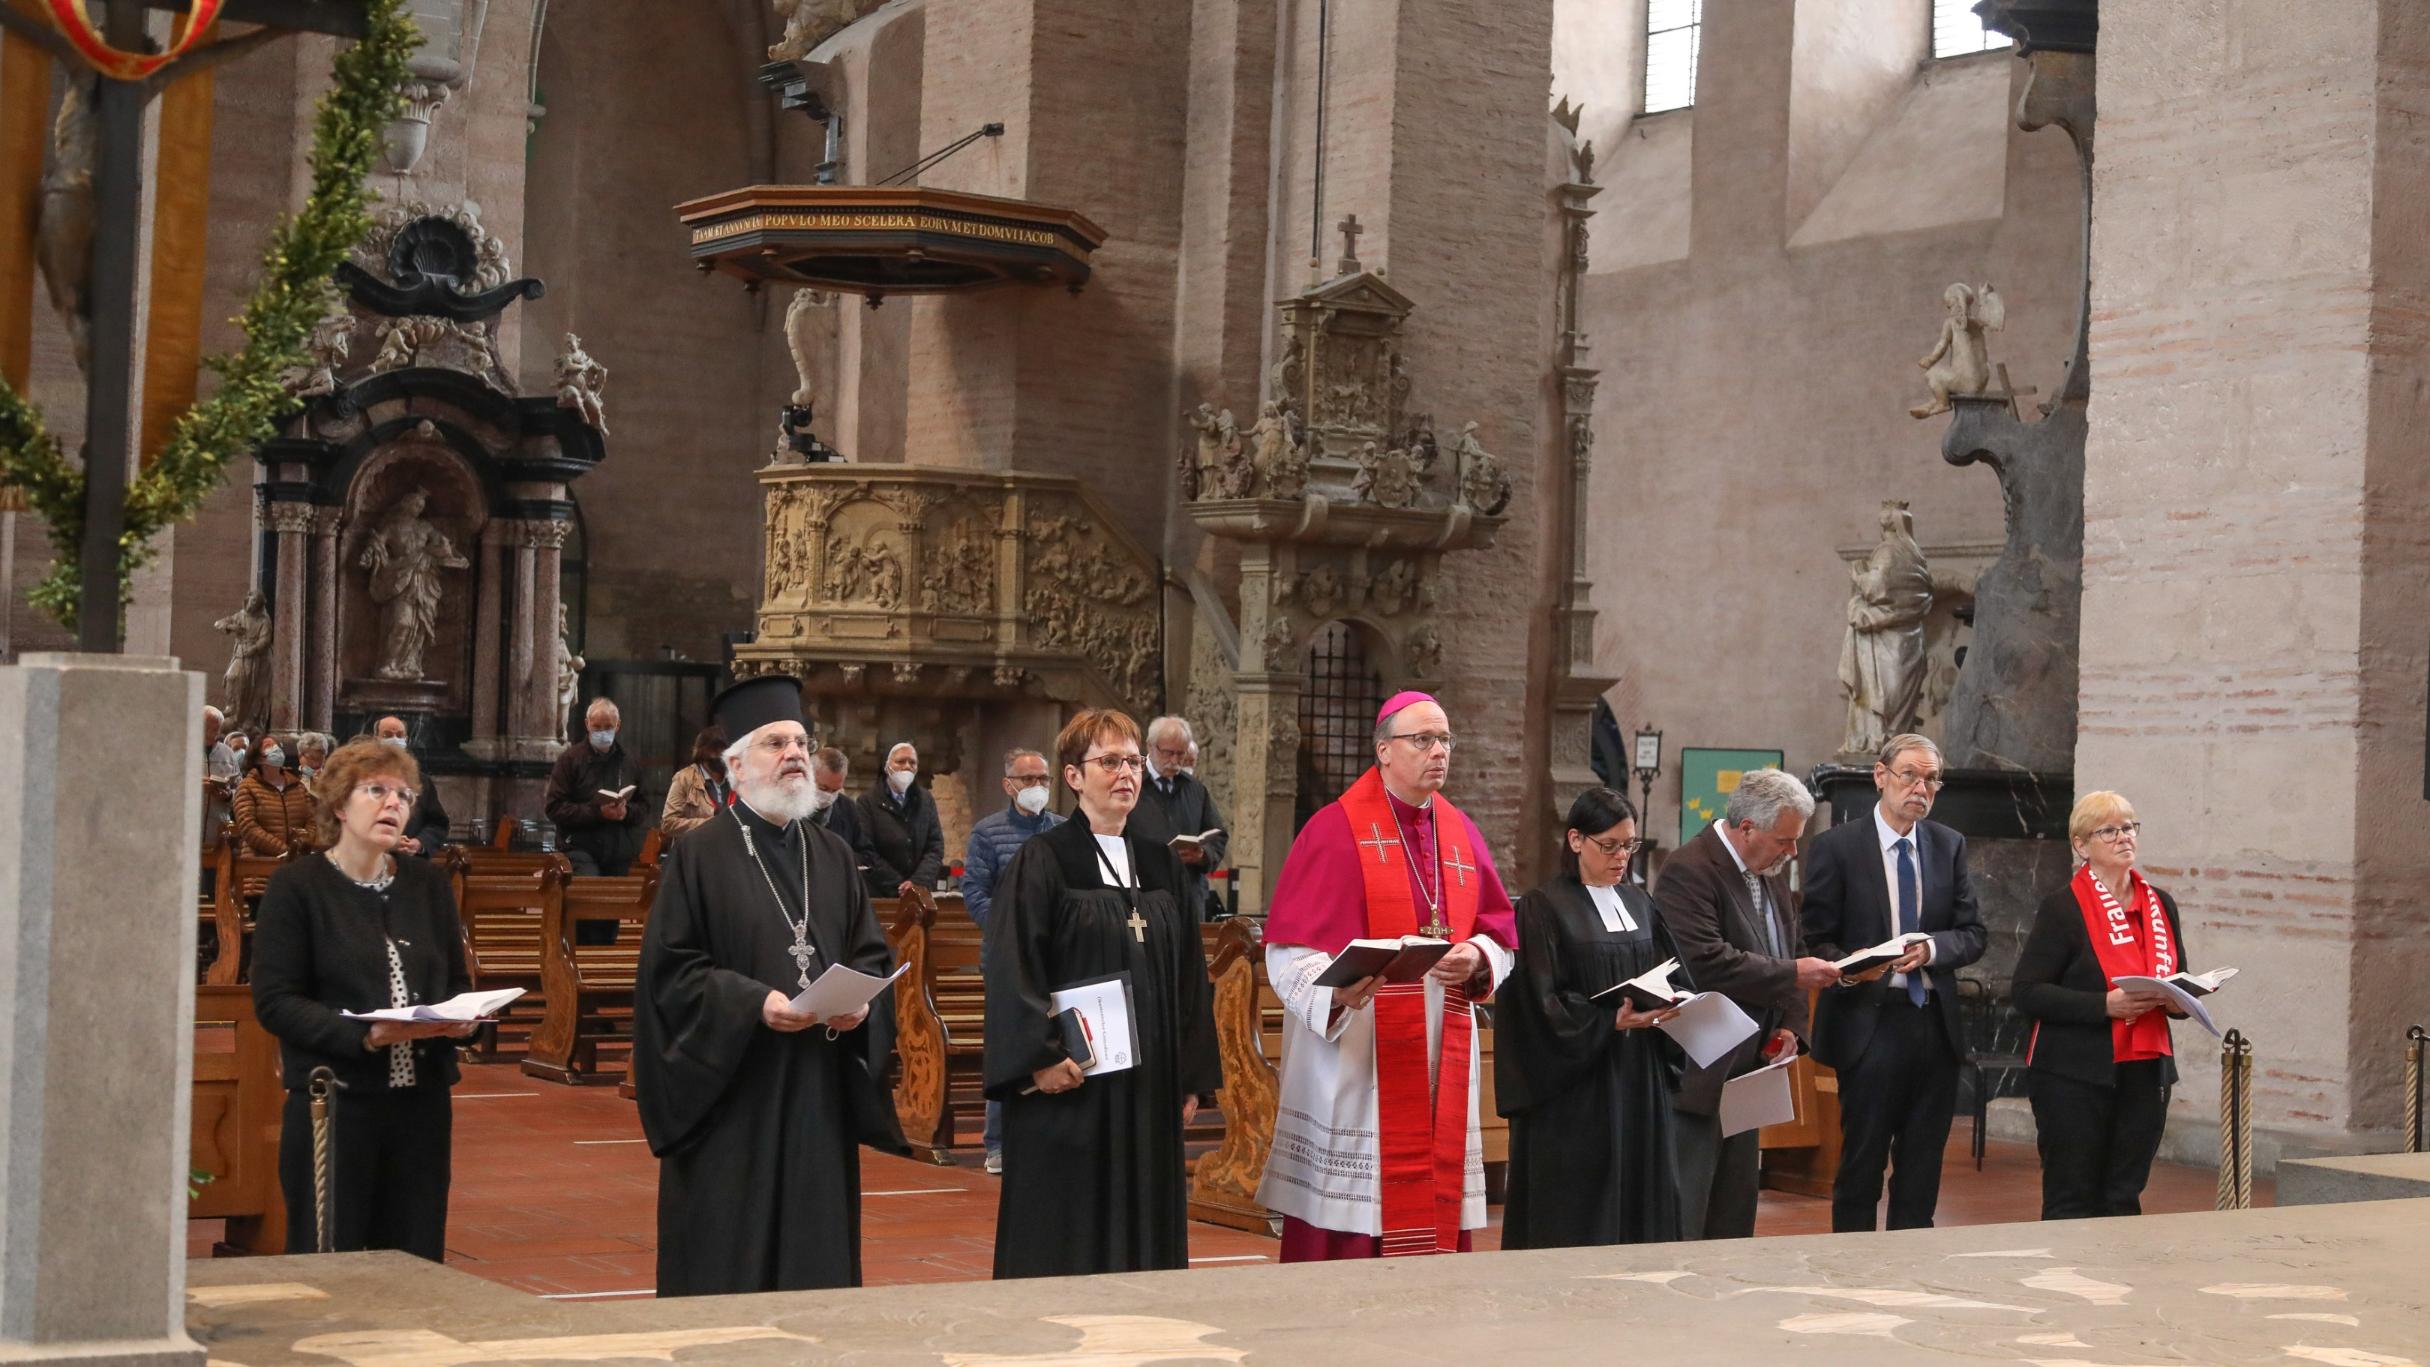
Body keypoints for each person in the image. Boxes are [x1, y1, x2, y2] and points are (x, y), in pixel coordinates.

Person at [632, 675, 905, 1295]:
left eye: (801, 743)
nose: (794, 754)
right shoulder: (700, 855)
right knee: (732, 1257)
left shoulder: (833, 855)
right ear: (736, 765)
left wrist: (858, 1007)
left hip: (816, 1092)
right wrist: (755, 1002)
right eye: (774, 742)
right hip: (735, 1093)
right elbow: (670, 973)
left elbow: (868, 953)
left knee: (815, 1260)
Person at [1257, 691, 1519, 1260]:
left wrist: (1476, 957)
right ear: (1384, 750)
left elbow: (1501, 932)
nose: (1438, 752)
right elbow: (1286, 951)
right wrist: (1336, 991)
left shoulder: (1460, 832)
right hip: (1358, 1045)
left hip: (1438, 1041)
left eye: (1445, 739)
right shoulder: (1334, 830)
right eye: (1422, 740)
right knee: (1356, 1216)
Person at [983, 709, 1221, 1278]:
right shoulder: (1044, 860)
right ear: (1073, 777)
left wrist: (1189, 1074)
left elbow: (1191, 973)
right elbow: (1012, 964)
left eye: (1134, 762)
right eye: (1109, 762)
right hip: (1073, 1086)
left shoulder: (1160, 862)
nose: (1126, 775)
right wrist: (1039, 1060)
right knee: (1069, 1227)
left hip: (1148, 1090)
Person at [249, 739, 474, 1259]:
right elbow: (276, 1001)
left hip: (421, 1108)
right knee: (333, 1260)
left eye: (404, 796)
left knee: (414, 1263)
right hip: (337, 1104)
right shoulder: (297, 888)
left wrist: (464, 1017)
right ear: (338, 804)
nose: (394, 804)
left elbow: (457, 983)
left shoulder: (428, 885)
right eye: (377, 790)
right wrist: (364, 1035)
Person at [1800, 733, 1988, 1233]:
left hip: (1934, 1026)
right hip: (1869, 1024)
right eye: (1910, 775)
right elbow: (1815, 938)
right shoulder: (1837, 847)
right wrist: (1853, 964)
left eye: (1931, 779)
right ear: (1880, 776)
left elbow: (1973, 935)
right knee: (1862, 1164)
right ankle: (1852, 1271)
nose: (1920, 788)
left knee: (1922, 1167)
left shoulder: (1948, 845)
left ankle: (1911, 1271)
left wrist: (1933, 949)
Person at [1655, 767, 1839, 1240]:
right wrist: (1795, 974)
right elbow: (1708, 962)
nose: (1792, 851)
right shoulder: (1689, 869)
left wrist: (1792, 1031)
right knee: (1688, 1209)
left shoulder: (1770, 872)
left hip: (1750, 1069)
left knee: (1734, 1211)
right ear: (1747, 828)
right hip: (1701, 1067)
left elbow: (1790, 950)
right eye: (1785, 839)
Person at [1496, 788, 1685, 1248]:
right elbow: (1537, 1001)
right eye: (1610, 845)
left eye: (1630, 845)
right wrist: (1608, 1022)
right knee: (1582, 1208)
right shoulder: (1544, 907)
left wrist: (1673, 1004)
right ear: (1576, 839)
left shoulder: (1641, 904)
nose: (1621, 857)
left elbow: (1674, 970)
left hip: (1638, 1078)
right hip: (1577, 1090)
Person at [2014, 790, 2189, 1220]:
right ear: (2081, 845)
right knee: (2072, 1196)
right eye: (2108, 830)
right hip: (2073, 1073)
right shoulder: (2063, 907)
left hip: (2145, 1069)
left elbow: (2177, 975)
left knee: (2123, 1194)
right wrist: (2104, 1006)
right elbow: (2027, 991)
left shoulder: (2160, 903)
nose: (2123, 837)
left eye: (2129, 827)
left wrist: (2181, 1001)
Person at [961, 747, 1063, 1174]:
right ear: (1009, 785)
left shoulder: (1062, 829)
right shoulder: (987, 833)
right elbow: (974, 891)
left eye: (1044, 779)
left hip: (1053, 956)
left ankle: (1047, 1136)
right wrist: (1007, 934)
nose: (1038, 787)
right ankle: (998, 1143)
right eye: (1029, 780)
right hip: (1005, 958)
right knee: (1008, 1044)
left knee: (1055, 1043)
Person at [1122, 716, 1228, 921]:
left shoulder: (1195, 790)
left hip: (1187, 895)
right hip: (1142, 893)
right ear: (1151, 747)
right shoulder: (1129, 784)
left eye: (1181, 754)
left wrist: (1202, 855)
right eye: (1169, 753)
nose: (1175, 761)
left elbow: (1218, 834)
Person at [544, 698, 647, 875]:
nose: (602, 732)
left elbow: (644, 805)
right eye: (597, 727)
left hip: (618, 849)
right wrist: (597, 812)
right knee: (589, 887)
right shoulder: (570, 760)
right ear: (587, 724)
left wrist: (626, 812)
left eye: (608, 727)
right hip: (579, 847)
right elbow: (554, 808)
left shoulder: (629, 761)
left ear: (618, 725)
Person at [856, 741, 942, 899]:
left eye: (912, 762)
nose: (907, 766)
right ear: (887, 766)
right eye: (900, 761)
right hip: (880, 893)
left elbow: (934, 847)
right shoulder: (867, 801)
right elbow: (865, 850)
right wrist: (898, 884)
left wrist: (918, 882)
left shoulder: (925, 800)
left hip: (918, 894)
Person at [372, 716, 452, 858]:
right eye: (387, 735)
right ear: (376, 739)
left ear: (407, 739)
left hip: (412, 866)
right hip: (371, 861)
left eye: (400, 735)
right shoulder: (364, 777)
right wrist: (389, 842)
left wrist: (420, 843)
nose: (395, 739)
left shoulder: (421, 781)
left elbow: (437, 824)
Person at [231, 732, 319, 857]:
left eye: (277, 746)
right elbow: (249, 827)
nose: (276, 749)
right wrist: (284, 850)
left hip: (295, 859)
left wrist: (300, 846)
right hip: (258, 862)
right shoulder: (247, 786)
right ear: (259, 758)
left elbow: (312, 820)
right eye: (269, 746)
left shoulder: (297, 786)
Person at [660, 725, 732, 843]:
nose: (719, 755)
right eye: (714, 750)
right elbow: (668, 823)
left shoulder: (735, 780)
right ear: (702, 752)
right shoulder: (684, 778)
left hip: (727, 850)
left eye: (723, 750)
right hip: (694, 851)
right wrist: (710, 824)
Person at [811, 746, 863, 852]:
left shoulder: (848, 808)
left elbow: (865, 853)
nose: (829, 796)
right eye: (823, 788)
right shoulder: (790, 808)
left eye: (835, 790)